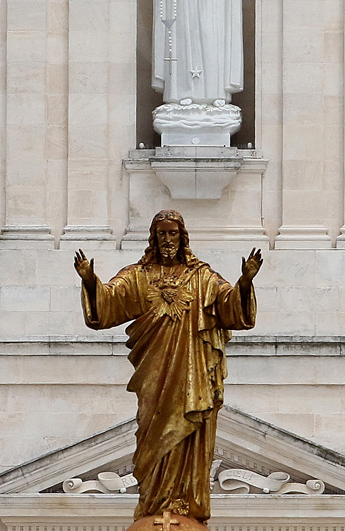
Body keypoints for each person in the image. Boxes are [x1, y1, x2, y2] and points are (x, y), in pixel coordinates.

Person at [74, 210, 260, 522]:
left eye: (173, 233)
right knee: (151, 432)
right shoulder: (139, 275)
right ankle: (153, 502)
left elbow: (229, 307)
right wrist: (91, 280)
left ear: (182, 236)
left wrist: (244, 281)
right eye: (162, 233)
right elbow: (109, 303)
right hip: (153, 374)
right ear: (154, 237)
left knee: (187, 433)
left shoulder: (201, 277)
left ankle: (182, 504)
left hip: (192, 373)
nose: (167, 239)